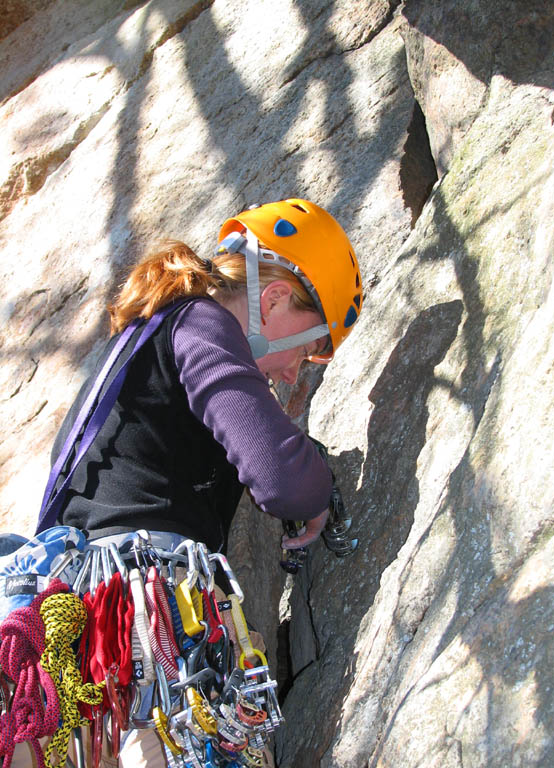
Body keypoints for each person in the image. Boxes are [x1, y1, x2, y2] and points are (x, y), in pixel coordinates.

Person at [13, 198, 363, 767]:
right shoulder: (202, 322)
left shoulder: (144, 341)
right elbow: (279, 478)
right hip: (146, 620)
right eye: (307, 348)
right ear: (272, 299)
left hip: (76, 631)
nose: (293, 371)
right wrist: (321, 485)